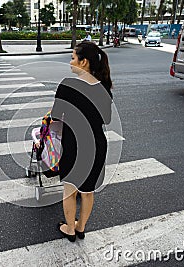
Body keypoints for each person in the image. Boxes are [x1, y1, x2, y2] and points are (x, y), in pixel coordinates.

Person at [51, 41, 113, 242]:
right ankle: (81, 227)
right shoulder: (104, 87)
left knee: (70, 190)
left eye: (72, 57)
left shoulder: (68, 85)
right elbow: (107, 119)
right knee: (87, 192)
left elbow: (55, 119)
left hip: (73, 146)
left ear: (83, 62)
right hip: (96, 146)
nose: (70, 62)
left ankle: (69, 228)